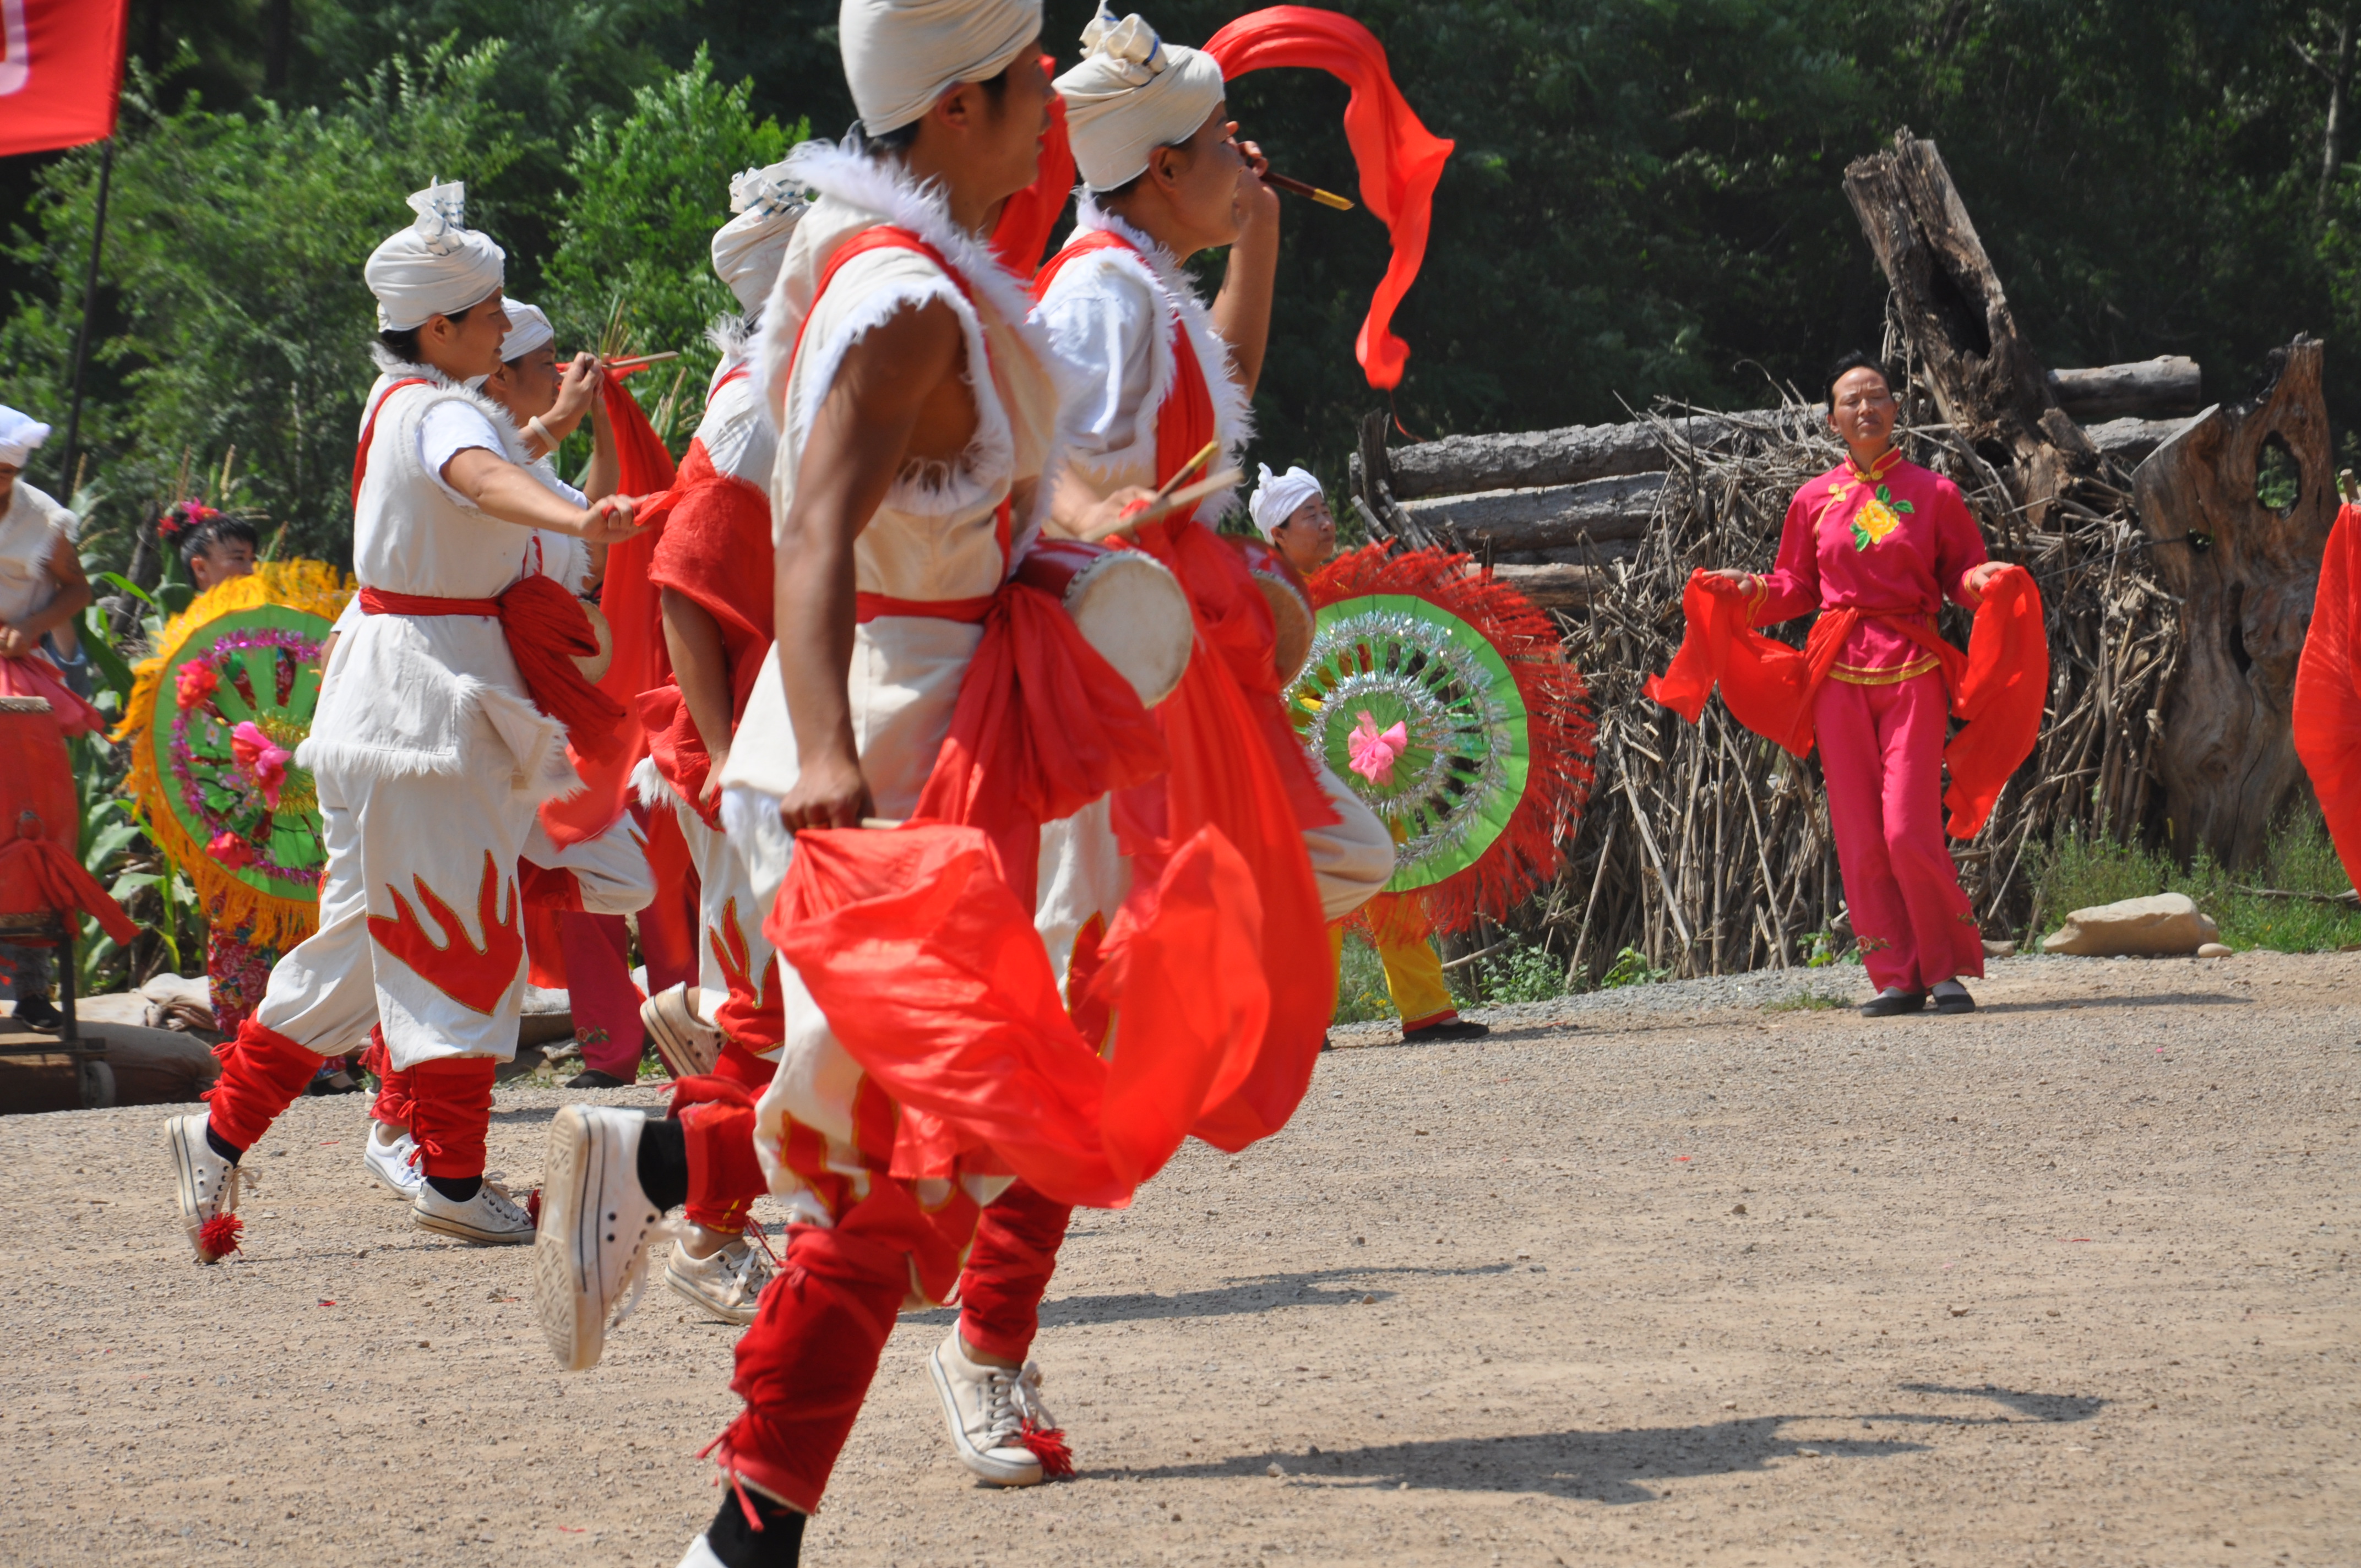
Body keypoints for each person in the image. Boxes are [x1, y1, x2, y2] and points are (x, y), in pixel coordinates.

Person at [530, 10, 1162, 1563]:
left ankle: (670, 1164)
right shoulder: (900, 302)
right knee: (888, 1179)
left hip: (926, 727)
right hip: (898, 747)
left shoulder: (862, 252)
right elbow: (807, 532)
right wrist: (822, 752)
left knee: (926, 1145)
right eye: (1034, 100)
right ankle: (746, 1540)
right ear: (960, 105)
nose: (1052, 130)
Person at [921, 6, 1395, 1491]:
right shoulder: (1100, 298)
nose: (1248, 165)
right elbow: (1058, 487)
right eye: (1224, 155)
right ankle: (972, 1327)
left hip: (1192, 672)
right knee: (1098, 1019)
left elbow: (1220, 400)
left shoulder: (1144, 281)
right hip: (1129, 690)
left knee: (1311, 881)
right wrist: (1145, 543)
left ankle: (892, 1238)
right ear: (1157, 169)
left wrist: (1259, 233)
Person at [162, 181, 640, 1261]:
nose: (501, 326)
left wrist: (556, 435)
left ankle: (219, 1129)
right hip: (428, 710)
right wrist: (571, 502)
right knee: (464, 936)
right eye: (488, 314)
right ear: (439, 326)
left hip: (400, 701)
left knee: (360, 959)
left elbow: (481, 469)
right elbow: (472, 473)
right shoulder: (439, 414)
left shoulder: (411, 401)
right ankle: (453, 1175)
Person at [628, 157, 808, 1325]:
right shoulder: (751, 405)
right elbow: (683, 590)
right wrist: (719, 745)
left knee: (792, 989)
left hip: (785, 733)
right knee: (767, 998)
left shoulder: (794, 388)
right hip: (748, 747)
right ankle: (705, 1233)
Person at [1703, 353, 2006, 1016]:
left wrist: (1982, 583)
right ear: (1831, 418)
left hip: (1913, 664)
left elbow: (1961, 572)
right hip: (1835, 671)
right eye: (1851, 401)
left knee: (1906, 827)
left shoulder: (1935, 494)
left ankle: (1944, 965)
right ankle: (1896, 975)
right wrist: (1748, 589)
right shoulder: (1812, 499)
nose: (1865, 408)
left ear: (1897, 409)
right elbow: (1797, 587)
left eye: (1876, 397)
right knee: (1860, 832)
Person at [1251, 462, 1490, 1043]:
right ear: (1277, 533)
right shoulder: (1261, 594)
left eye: (1325, 512)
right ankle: (1305, 1019)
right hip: (1297, 764)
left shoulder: (1349, 585)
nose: (1326, 524)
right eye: (1311, 515)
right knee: (1321, 886)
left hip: (1370, 759)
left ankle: (1427, 1009)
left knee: (1397, 877)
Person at [0, 405, 99, 1032]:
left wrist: (31, 625)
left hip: (15, 666)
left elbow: (78, 588)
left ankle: (32, 989)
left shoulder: (43, 518)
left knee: (26, 817)